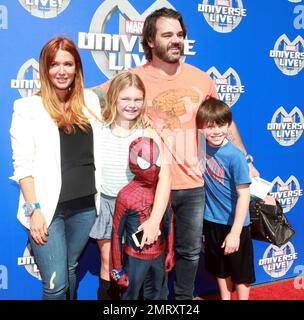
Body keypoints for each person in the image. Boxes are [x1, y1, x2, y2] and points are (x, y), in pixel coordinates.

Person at [95, 7, 259, 300]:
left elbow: (225, 122)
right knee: (146, 254)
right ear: (149, 41)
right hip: (151, 187)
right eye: (167, 34)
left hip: (195, 185)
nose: (176, 40)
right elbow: (94, 96)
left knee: (190, 252)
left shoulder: (201, 79)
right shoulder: (132, 78)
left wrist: (245, 159)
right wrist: (51, 95)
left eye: (180, 35)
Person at [10, 37, 102, 300]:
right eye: (54, 64)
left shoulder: (90, 102)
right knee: (55, 284)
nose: (62, 71)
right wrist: (34, 211)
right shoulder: (27, 107)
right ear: (45, 69)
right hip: (47, 211)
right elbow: (23, 165)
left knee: (71, 268)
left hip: (86, 208)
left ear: (77, 68)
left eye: (68, 64)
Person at [89, 71, 171, 299]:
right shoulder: (99, 128)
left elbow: (165, 176)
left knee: (139, 266)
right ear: (113, 97)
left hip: (140, 210)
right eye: (125, 99)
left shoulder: (147, 131)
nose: (132, 105)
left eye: (137, 99)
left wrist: (155, 219)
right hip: (107, 205)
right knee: (108, 261)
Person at [196, 97, 256, 300]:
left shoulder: (235, 155)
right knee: (219, 268)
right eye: (209, 126)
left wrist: (236, 233)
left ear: (228, 125)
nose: (216, 131)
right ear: (201, 128)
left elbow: (244, 195)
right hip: (212, 221)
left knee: (241, 273)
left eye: (221, 125)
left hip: (235, 224)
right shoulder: (200, 147)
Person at [111, 136, 175, 300]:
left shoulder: (161, 191)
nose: (153, 169)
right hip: (135, 258)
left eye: (157, 162)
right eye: (146, 163)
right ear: (134, 163)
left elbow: (168, 221)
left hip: (158, 255)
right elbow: (117, 234)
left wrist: (169, 251)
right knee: (130, 297)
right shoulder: (126, 196)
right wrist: (117, 268)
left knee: (158, 296)